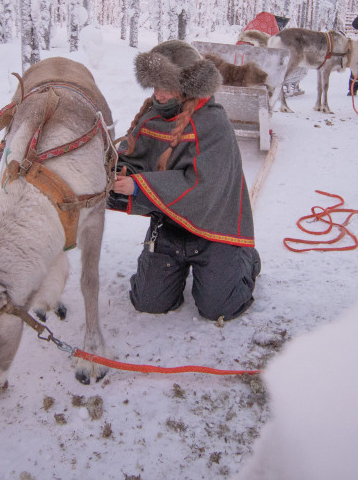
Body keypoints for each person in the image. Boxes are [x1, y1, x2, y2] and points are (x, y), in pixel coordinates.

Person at [107, 40, 260, 322]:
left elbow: (204, 187)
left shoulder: (214, 124)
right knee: (148, 302)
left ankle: (246, 258)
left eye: (167, 87)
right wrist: (117, 173)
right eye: (155, 87)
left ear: (188, 86)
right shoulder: (153, 116)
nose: (159, 96)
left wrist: (141, 186)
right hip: (171, 227)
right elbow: (134, 158)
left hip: (215, 230)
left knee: (218, 309)